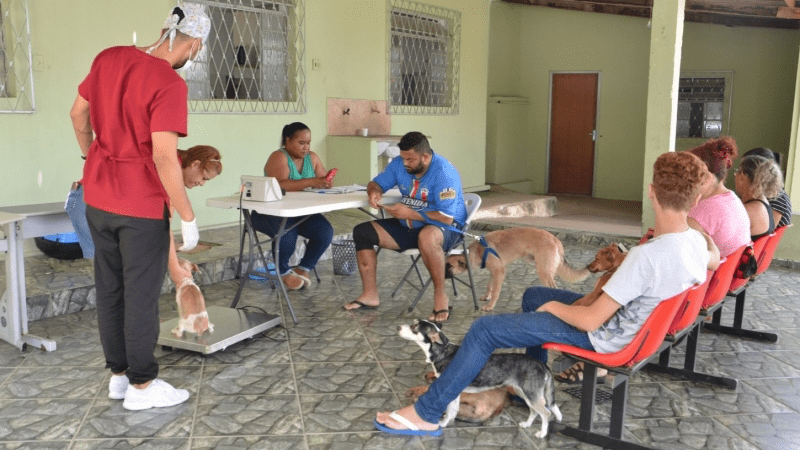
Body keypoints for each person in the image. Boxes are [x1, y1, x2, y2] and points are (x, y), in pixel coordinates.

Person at [374, 151, 719, 435]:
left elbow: (588, 320)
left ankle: (428, 412)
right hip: (631, 326)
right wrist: (549, 303)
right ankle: (531, 382)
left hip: (606, 337)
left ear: (651, 192)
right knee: (534, 295)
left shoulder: (647, 257)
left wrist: (554, 307)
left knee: (485, 329)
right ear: (694, 198)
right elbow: (715, 258)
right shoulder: (693, 243)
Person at [69, 3, 210, 411]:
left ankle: (118, 377)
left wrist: (93, 157)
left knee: (110, 288)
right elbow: (166, 159)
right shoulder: (168, 83)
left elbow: (78, 113)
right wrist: (188, 216)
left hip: (98, 199)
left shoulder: (108, 57)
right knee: (141, 295)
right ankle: (143, 386)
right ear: (195, 44)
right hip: (140, 206)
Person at [344, 131, 467, 323]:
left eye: (410, 159)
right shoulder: (400, 164)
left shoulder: (444, 173)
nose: (405, 163)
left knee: (427, 237)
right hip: (410, 224)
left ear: (425, 157)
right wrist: (374, 193)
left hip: (445, 228)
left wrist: (410, 213)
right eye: (403, 158)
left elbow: (446, 218)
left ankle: (440, 296)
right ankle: (370, 295)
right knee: (362, 232)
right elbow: (376, 183)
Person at [250, 122, 334, 290]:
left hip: (298, 212)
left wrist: (326, 182)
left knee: (324, 231)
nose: (306, 147)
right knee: (287, 232)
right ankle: (282, 272)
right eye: (301, 143)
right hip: (268, 213)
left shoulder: (312, 157)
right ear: (287, 141)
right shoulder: (278, 157)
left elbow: (324, 180)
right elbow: (281, 185)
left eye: (308, 143)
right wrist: (312, 181)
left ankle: (303, 268)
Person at [685, 136, 750, 258]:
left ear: (707, 177)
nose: (686, 180)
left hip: (707, 275)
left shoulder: (700, 214)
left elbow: (681, 258)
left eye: (691, 174)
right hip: (726, 275)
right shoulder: (732, 199)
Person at [734, 155, 783, 241]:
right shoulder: (762, 203)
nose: (735, 175)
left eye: (737, 172)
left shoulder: (748, 210)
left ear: (743, 176)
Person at [741, 148, 792, 228]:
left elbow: (769, 229)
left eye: (744, 170)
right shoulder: (769, 193)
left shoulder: (777, 197)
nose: (741, 174)